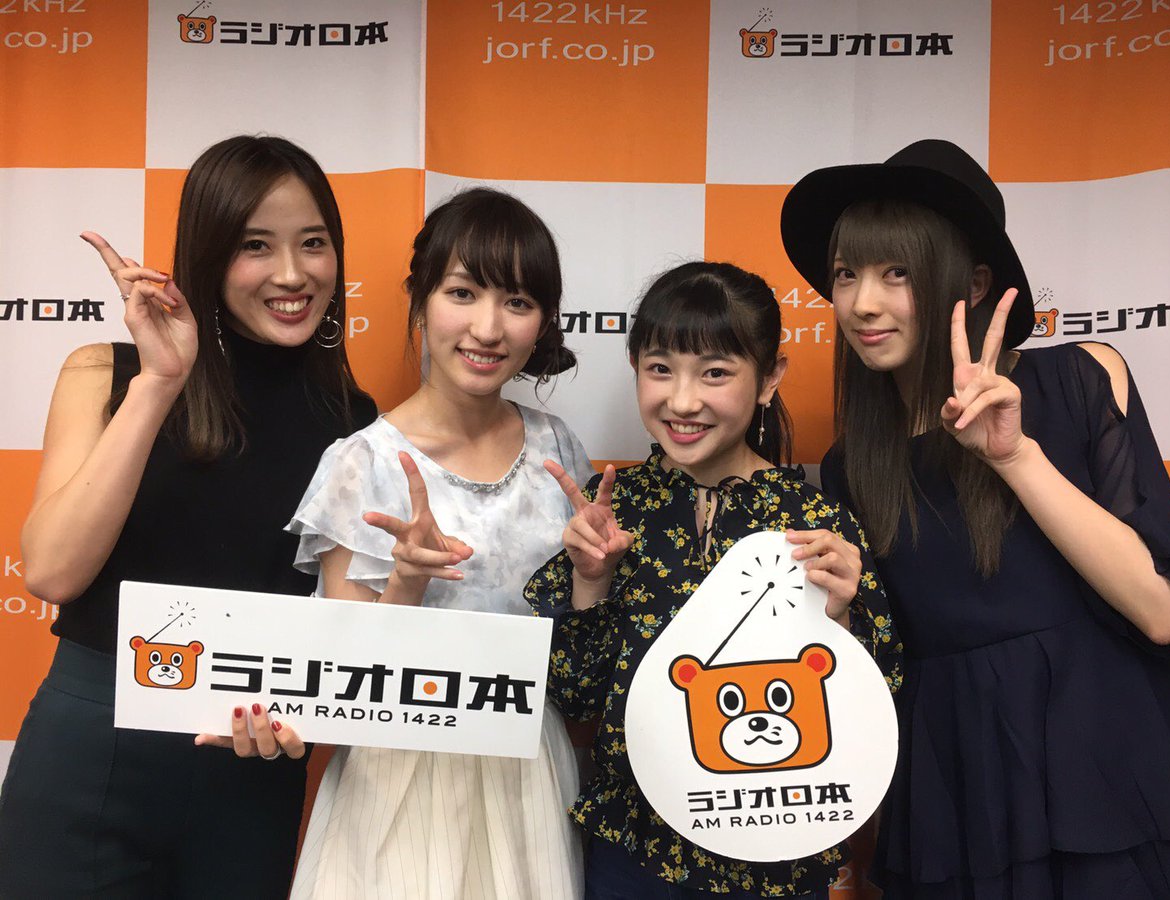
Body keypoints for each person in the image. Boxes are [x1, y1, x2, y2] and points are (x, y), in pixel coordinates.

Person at [780, 139, 1170, 898]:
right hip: (959, 787)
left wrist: (1014, 457)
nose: (862, 302)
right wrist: (838, 613)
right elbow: (878, 663)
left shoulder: (1079, 378)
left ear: (974, 283)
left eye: (897, 273)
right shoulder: (850, 464)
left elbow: (1166, 612)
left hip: (1109, 755)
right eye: (846, 274)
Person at [0, 135, 376, 898]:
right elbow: (52, 571)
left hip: (250, 761)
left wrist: (304, 716)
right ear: (207, 254)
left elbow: (345, 626)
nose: (293, 273)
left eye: (313, 243)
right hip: (93, 742)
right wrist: (160, 382)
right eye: (255, 246)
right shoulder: (107, 372)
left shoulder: (354, 421)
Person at [524, 261, 903, 898]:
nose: (682, 400)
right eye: (660, 368)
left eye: (715, 372)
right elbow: (576, 700)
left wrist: (840, 618)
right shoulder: (612, 509)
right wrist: (590, 581)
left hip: (776, 846)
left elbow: (875, 708)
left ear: (770, 378)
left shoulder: (814, 522)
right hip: (636, 850)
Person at [285, 187, 589, 899]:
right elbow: (337, 682)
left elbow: (580, 643)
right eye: (462, 293)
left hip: (529, 769)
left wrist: (595, 579)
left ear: (542, 321)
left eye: (517, 302)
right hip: (401, 777)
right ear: (419, 301)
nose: (488, 327)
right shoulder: (359, 462)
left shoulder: (558, 448)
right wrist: (406, 583)